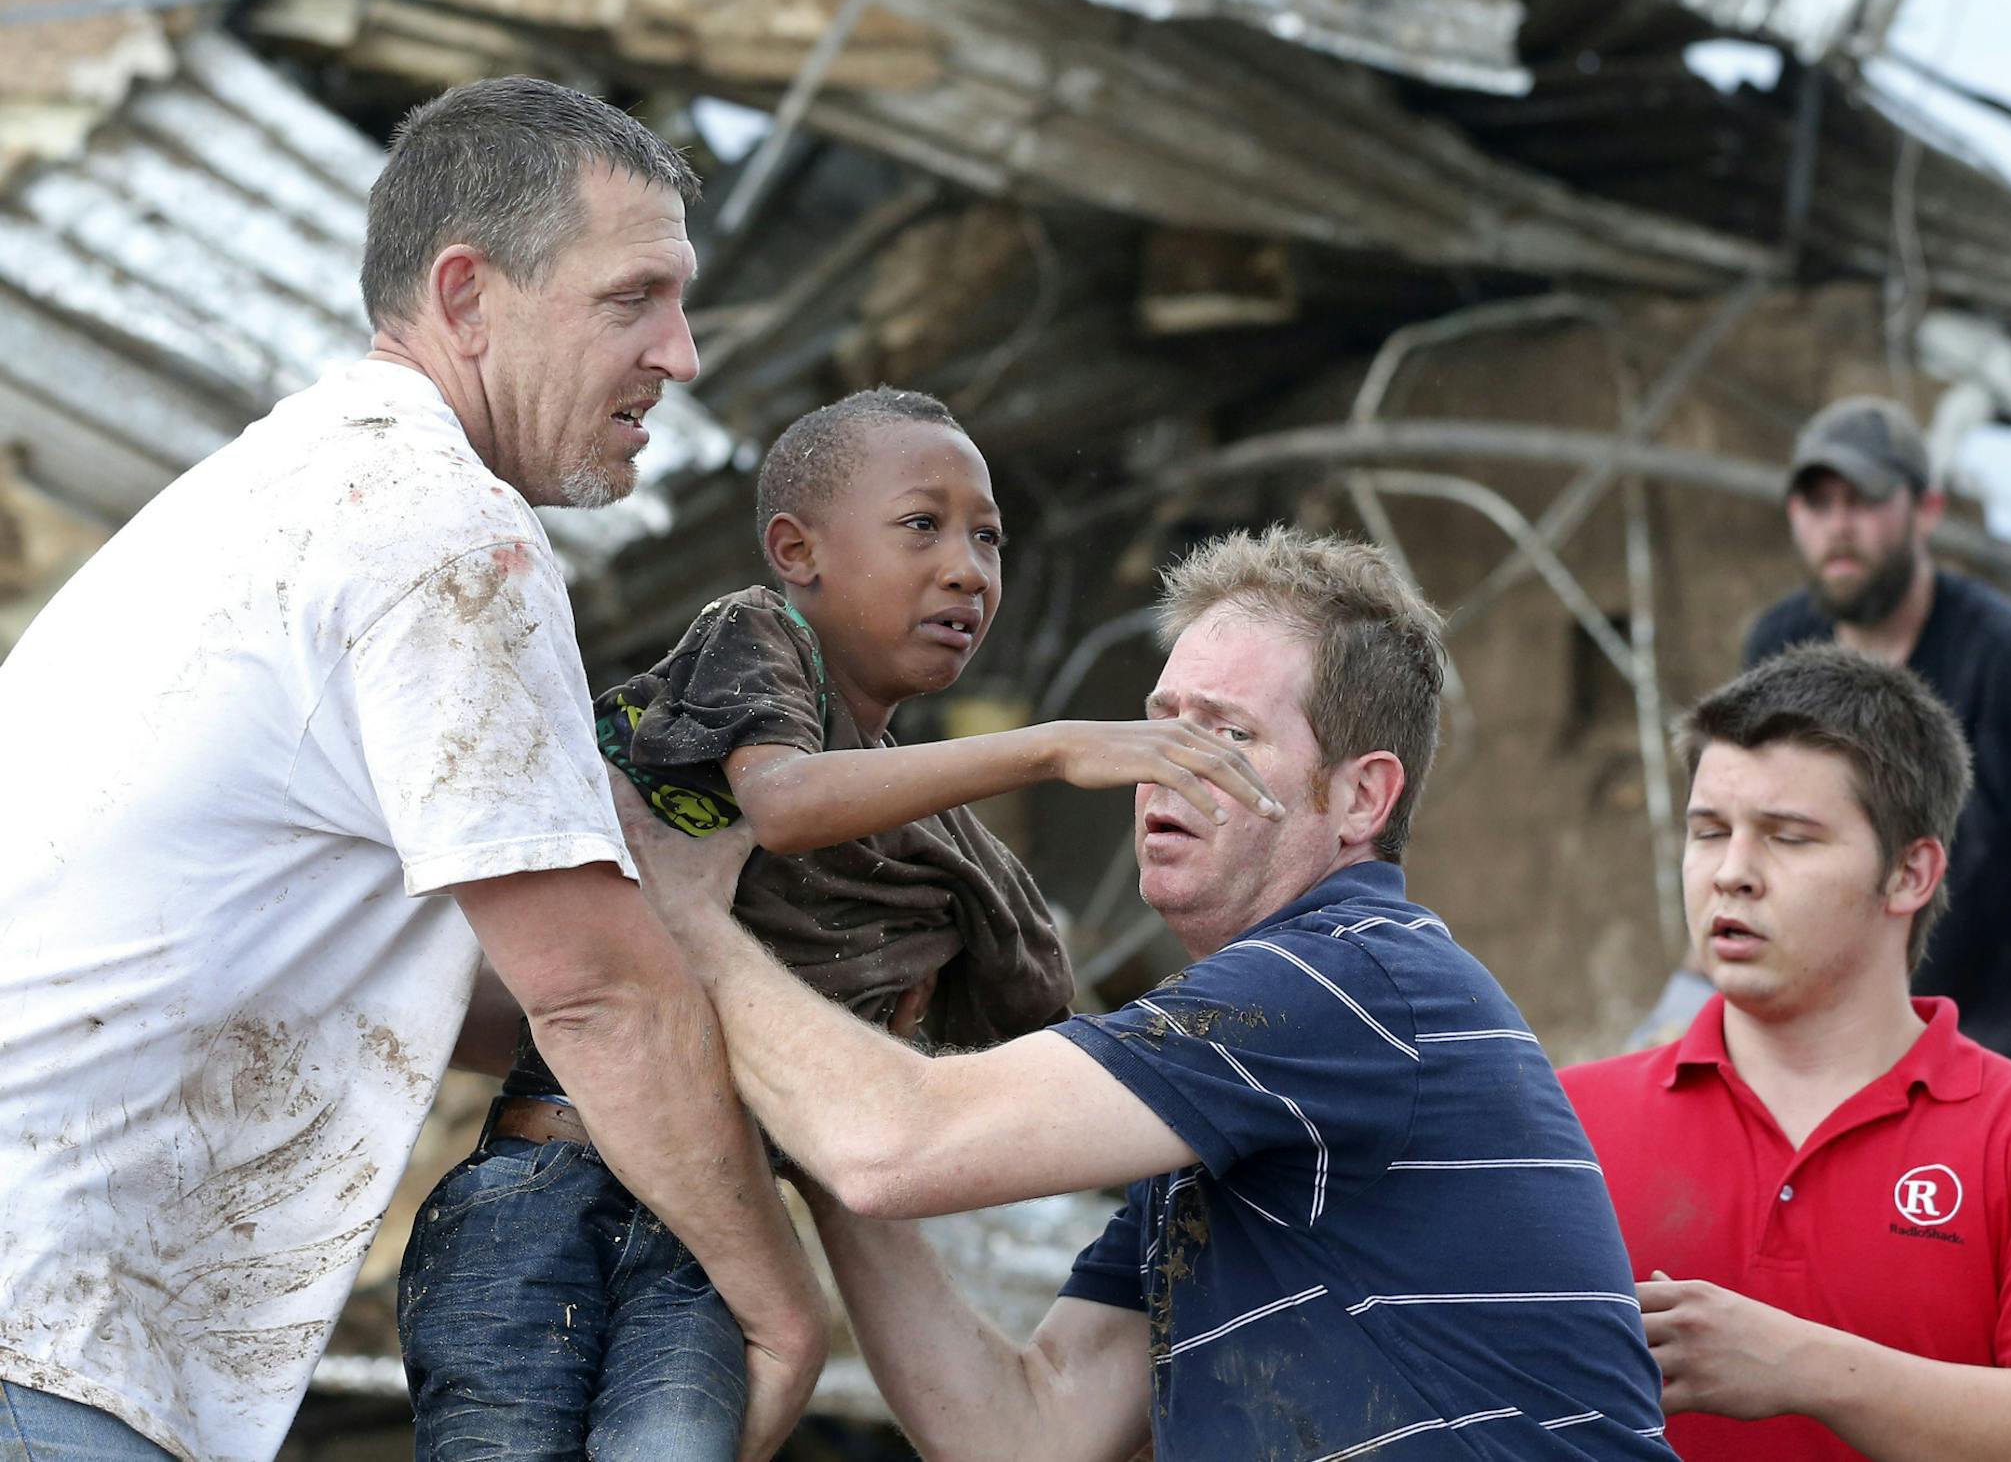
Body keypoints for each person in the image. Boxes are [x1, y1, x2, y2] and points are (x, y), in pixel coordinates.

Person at [0, 77, 825, 1462]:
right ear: (467, 296)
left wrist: (767, 1006)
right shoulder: (442, 535)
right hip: (43, 1332)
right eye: (635, 298)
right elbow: (592, 993)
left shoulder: (290, 489)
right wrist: (777, 1308)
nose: (682, 356)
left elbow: (476, 991)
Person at [618, 526, 1674, 1461]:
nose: (1159, 769)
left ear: (1361, 796)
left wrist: (690, 919)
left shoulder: (1341, 981)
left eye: (1225, 734)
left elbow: (897, 1147)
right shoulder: (1230, 1110)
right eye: (1158, 725)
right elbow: (1028, 1434)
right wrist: (818, 1132)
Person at [399, 385, 1286, 1456]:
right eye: (923, 525)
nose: (968, 567)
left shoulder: (951, 854)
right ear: (796, 550)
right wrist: (1049, 748)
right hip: (550, 1184)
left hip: (717, 1241)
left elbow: (1039, 1046)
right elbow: (782, 803)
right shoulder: (759, 635)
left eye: (990, 539)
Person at [1562, 645, 2011, 1461]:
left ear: (1910, 873)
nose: (1731, 874)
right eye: (1709, 832)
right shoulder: (1561, 1122)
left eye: (1789, 837)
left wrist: (1807, 1368)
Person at [1638, 396, 2011, 1098]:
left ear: (1926, 510)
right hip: (1848, 1031)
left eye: (1863, 501)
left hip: (1999, 1029)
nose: (1838, 527)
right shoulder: (1779, 644)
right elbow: (1738, 831)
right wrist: (1686, 1003)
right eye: (1816, 502)